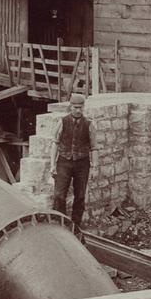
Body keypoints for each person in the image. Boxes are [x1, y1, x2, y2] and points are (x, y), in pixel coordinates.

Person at [51, 92, 94, 233]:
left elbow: (95, 147)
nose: (78, 110)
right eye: (75, 107)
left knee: (80, 196)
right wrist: (52, 165)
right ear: (70, 107)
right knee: (59, 195)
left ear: (84, 107)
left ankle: (76, 227)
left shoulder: (89, 124)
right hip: (64, 161)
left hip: (82, 164)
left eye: (81, 107)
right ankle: (60, 224)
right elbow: (55, 143)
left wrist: (94, 167)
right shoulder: (62, 122)